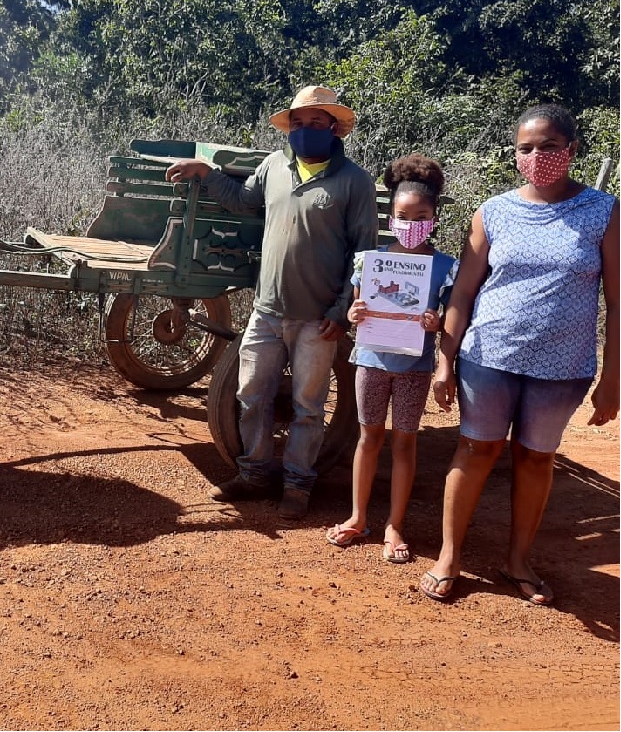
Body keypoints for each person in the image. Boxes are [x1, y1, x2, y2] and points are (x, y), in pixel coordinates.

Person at [419, 102, 619, 604]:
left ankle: (517, 561)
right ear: (515, 155)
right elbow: (462, 294)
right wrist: (446, 361)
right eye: (526, 148)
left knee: (535, 458)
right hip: (488, 356)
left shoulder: (604, 212)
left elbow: (617, 303)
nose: (537, 156)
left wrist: (613, 378)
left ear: (571, 149)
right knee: (476, 449)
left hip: (563, 366)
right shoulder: (493, 212)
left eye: (549, 146)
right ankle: (449, 556)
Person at [166, 86, 378, 520]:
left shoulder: (355, 181)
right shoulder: (275, 165)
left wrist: (341, 313)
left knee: (307, 406)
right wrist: (205, 172)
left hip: (319, 319)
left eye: (315, 124)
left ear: (333, 128)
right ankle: (255, 474)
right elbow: (244, 202)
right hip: (267, 311)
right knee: (250, 394)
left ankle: (298, 486)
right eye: (298, 124)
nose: (304, 131)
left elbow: (365, 254)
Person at [326, 154, 457, 563]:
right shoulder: (370, 261)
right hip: (371, 361)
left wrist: (437, 324)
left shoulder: (446, 267)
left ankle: (394, 524)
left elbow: (451, 321)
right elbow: (354, 309)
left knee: (404, 442)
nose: (412, 222)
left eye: (421, 215)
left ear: (434, 216)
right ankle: (358, 516)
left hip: (414, 369)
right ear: (390, 216)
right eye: (403, 214)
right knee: (368, 438)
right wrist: (354, 314)